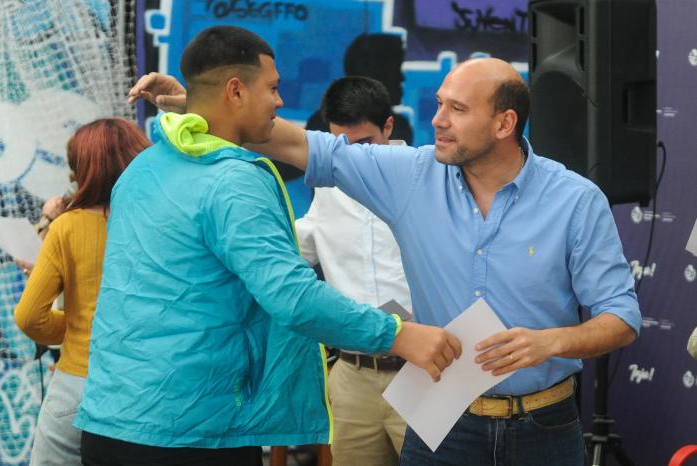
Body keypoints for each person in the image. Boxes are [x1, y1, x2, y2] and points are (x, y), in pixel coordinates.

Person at [130, 56, 641, 466]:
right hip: (443, 415)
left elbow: (621, 319)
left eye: (457, 110)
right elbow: (288, 140)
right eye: (440, 104)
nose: (437, 120)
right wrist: (197, 102)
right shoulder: (410, 175)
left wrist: (549, 341)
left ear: (505, 122)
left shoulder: (576, 199)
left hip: (546, 425)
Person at [81, 26, 460, 466]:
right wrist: (398, 334)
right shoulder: (234, 180)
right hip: (195, 432)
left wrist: (195, 103)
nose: (280, 102)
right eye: (273, 88)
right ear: (236, 91)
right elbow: (293, 296)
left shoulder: (142, 169)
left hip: (109, 422)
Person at [13, 118, 150, 466]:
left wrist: (73, 327)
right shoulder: (160, 226)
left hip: (79, 381)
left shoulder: (67, 227)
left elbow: (29, 316)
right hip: (147, 385)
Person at [296, 76, 409, 466]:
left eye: (363, 145)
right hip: (351, 373)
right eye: (340, 146)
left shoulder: (427, 177)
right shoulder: (327, 187)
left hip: (424, 370)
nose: (353, 158)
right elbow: (300, 245)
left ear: (389, 128)